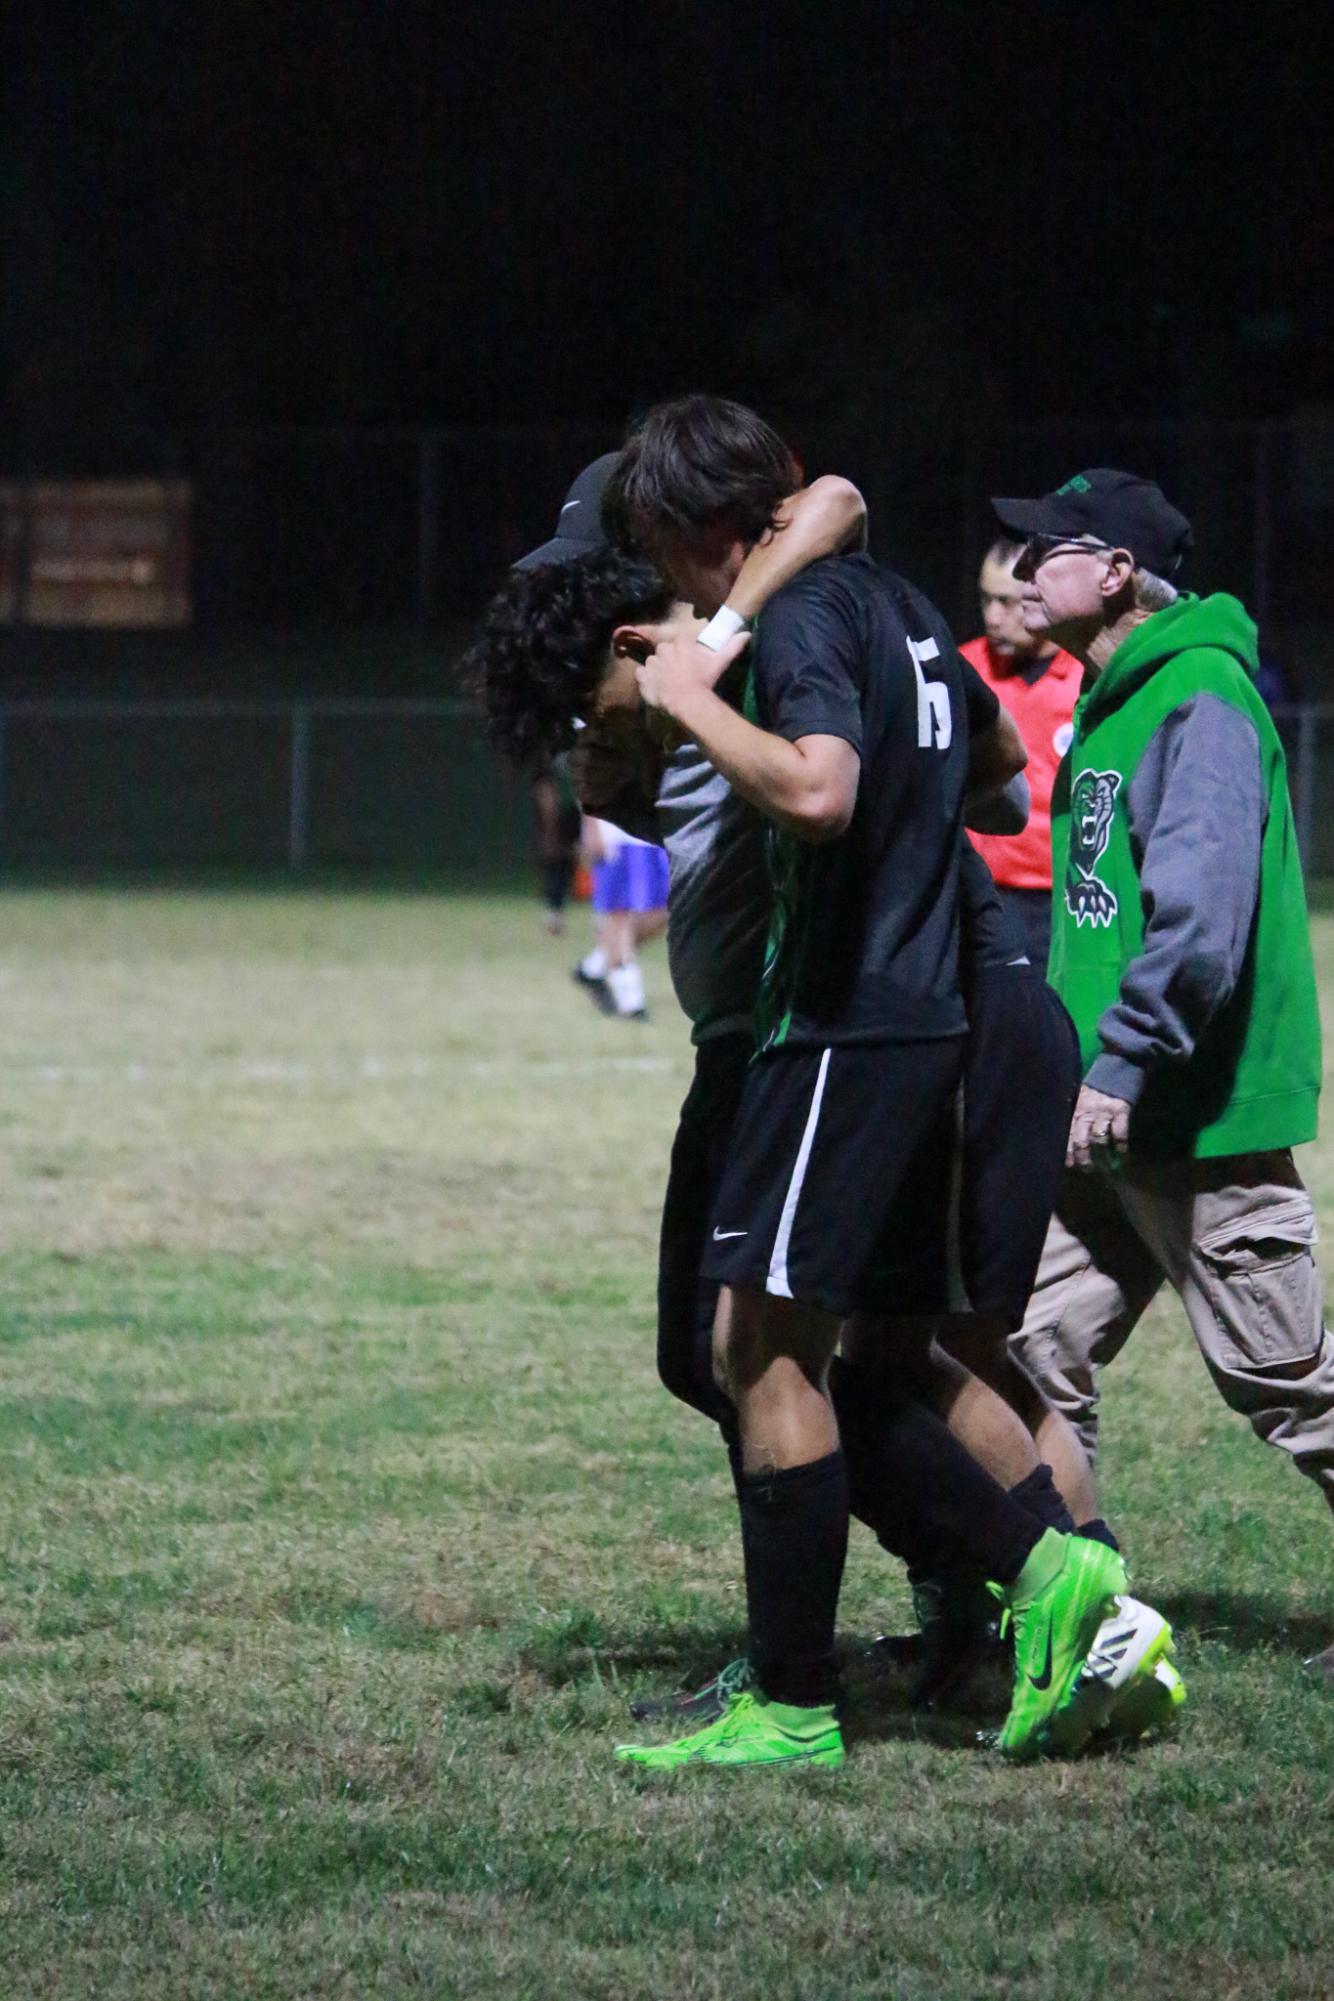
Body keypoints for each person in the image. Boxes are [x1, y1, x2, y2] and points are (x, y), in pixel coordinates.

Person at [468, 455, 1181, 1750]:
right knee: (812, 1355)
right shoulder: (740, 664)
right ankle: (1016, 1595)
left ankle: (1046, 1590)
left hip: (832, 1032)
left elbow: (840, 500)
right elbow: (975, 766)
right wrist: (629, 747)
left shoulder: (770, 636)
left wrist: (704, 668)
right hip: (800, 1032)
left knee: (814, 1354)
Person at [991, 469, 1334, 1680]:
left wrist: (1126, 1063)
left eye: (1046, 548)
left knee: (1291, 1387)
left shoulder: (1196, 696)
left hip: (1190, 1115)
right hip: (1103, 1117)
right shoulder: (1111, 697)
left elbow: (1199, 922)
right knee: (1027, 1353)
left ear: (1118, 572)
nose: (1023, 569)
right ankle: (1075, 1612)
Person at [962, 538, 1081, 972]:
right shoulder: (963, 670)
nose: (994, 617)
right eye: (986, 600)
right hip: (983, 894)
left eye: (1007, 602)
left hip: (1063, 900)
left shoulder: (1087, 677)